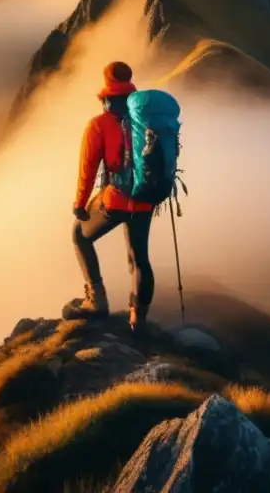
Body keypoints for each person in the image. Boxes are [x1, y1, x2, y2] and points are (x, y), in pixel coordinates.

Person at [63, 61, 155, 334]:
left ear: (106, 95)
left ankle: (96, 301)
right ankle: (138, 321)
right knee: (140, 258)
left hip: (115, 200)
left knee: (80, 235)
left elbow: (87, 170)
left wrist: (80, 204)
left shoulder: (99, 124)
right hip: (145, 199)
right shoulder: (146, 120)